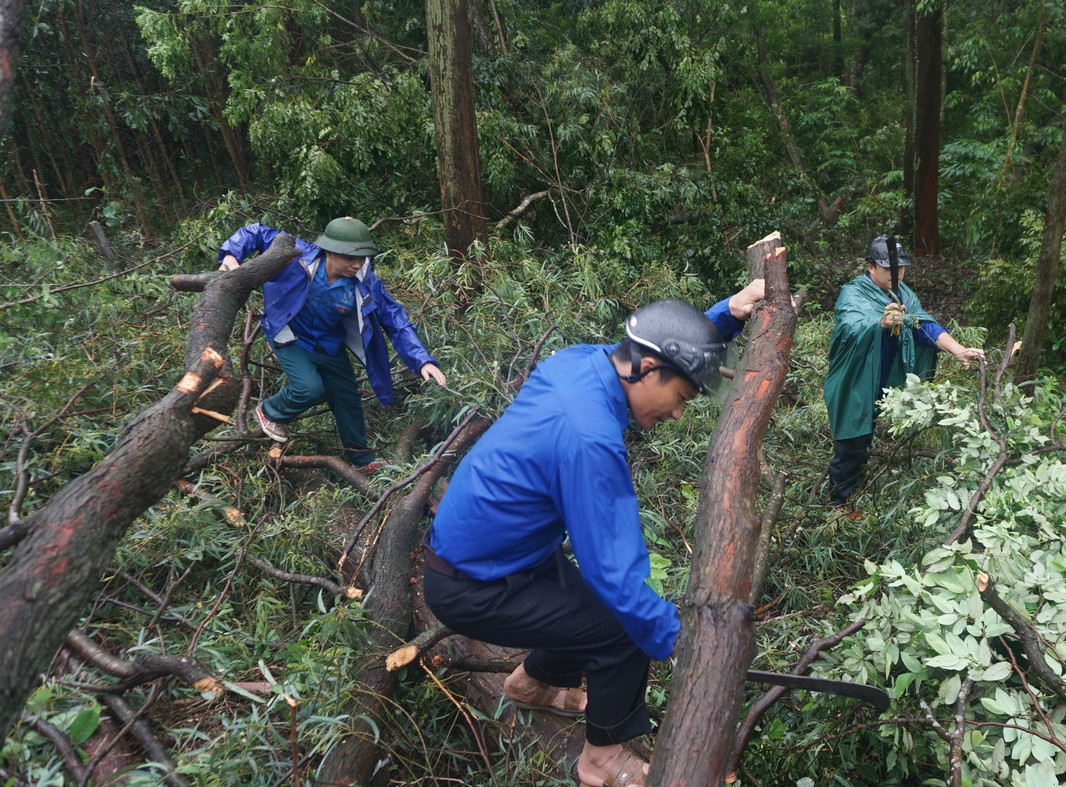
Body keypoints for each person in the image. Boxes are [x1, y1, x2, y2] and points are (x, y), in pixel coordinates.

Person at [424, 282, 765, 787]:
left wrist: (725, 315)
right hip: (474, 585)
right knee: (623, 628)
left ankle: (533, 684)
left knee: (581, 602)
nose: (677, 413)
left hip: (504, 556)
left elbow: (656, 340)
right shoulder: (589, 438)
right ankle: (601, 760)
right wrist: (680, 638)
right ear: (647, 371)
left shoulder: (582, 363)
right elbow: (616, 575)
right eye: (681, 397)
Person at [216, 217, 446, 473]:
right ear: (329, 251)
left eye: (362, 257)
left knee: (348, 398)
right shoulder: (299, 257)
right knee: (309, 388)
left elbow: (394, 317)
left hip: (329, 343)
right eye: (350, 258)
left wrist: (422, 359)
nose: (356, 264)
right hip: (290, 335)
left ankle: (361, 460)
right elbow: (256, 232)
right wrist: (230, 255)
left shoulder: (364, 280)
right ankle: (270, 410)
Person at [823, 235, 984, 507]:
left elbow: (925, 326)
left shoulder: (905, 293)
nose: (897, 273)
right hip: (856, 381)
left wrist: (958, 350)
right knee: (851, 442)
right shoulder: (853, 293)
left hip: (885, 379)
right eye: (888, 269)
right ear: (870, 267)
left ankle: (857, 494)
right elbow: (850, 326)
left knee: (866, 440)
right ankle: (838, 506)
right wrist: (881, 322)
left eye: (901, 268)